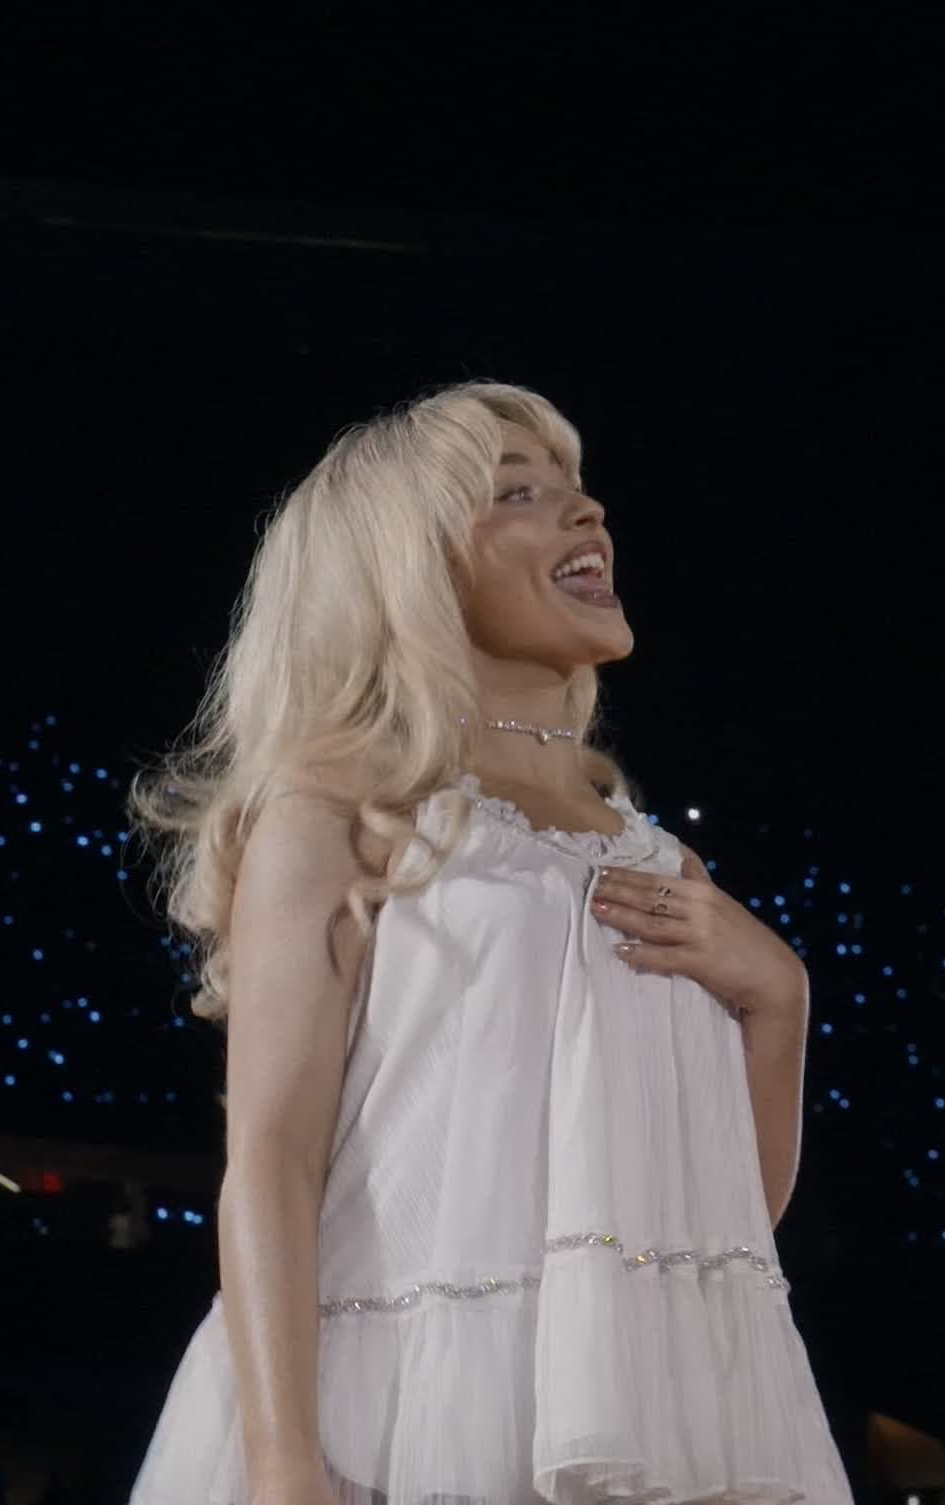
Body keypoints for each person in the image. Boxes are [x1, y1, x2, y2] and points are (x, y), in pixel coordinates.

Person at [124, 381, 854, 1504]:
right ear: (408, 568)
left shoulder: (667, 869)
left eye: (575, 486)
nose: (587, 511)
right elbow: (273, 1155)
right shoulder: (345, 818)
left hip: (623, 1430)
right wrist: (281, 1460)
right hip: (379, 1426)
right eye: (518, 493)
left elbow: (714, 1231)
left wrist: (779, 1001)